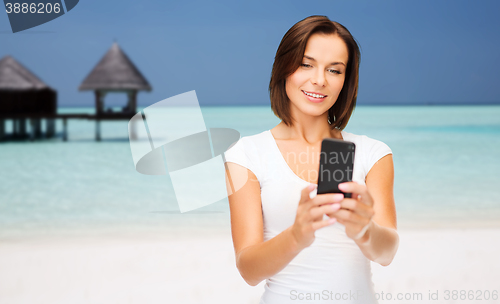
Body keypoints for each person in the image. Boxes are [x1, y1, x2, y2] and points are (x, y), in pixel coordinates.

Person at [223, 15, 399, 304]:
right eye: (306, 64)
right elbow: (248, 270)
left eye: (335, 70)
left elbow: (388, 253)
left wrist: (365, 230)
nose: (319, 80)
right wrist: (296, 236)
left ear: (346, 81)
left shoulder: (372, 153)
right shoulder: (245, 154)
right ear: (284, 67)